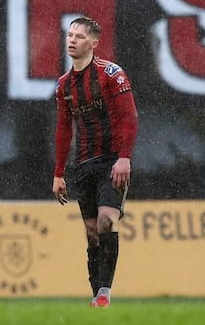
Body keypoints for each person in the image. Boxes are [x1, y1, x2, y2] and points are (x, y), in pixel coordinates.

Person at [52, 17, 138, 308]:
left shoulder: (111, 74)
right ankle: (95, 296)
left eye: (79, 36)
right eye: (70, 35)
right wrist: (59, 173)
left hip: (112, 161)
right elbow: (64, 130)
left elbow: (130, 117)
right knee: (91, 233)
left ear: (94, 43)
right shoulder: (64, 85)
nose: (71, 40)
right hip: (83, 163)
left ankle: (105, 293)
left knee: (105, 222)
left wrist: (124, 157)